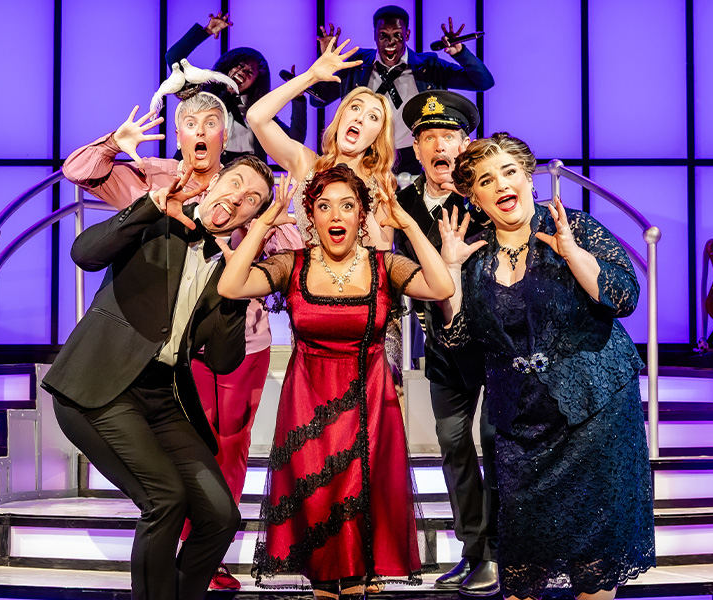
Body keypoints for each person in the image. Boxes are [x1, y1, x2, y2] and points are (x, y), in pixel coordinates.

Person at [63, 94, 304, 591]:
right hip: (102, 388)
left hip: (162, 396)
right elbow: (84, 253)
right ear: (214, 182)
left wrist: (239, 278)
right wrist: (148, 207)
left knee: (220, 513)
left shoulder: (230, 271)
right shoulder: (157, 213)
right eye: (233, 186)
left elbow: (221, 358)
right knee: (167, 500)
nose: (235, 200)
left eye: (251, 202)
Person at [216, 165, 453, 597]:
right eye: (324, 207)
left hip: (371, 406)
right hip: (308, 405)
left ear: (362, 215)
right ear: (312, 216)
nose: (336, 215)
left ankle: (361, 580)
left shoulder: (385, 265)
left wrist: (408, 223)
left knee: (363, 522)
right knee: (319, 518)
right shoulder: (293, 263)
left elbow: (441, 286)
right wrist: (264, 223)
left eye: (347, 205)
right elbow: (231, 286)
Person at [437, 133, 656, 600]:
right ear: (474, 197)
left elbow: (625, 296)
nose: (501, 185)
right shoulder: (473, 255)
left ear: (529, 179)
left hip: (595, 411)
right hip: (523, 424)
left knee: (593, 561)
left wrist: (573, 254)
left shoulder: (573, 226)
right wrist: (450, 275)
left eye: (510, 172)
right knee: (523, 568)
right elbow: (458, 340)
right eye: (486, 180)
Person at [392, 90, 497, 595]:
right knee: (454, 445)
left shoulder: (483, 194)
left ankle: (501, 551)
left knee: (499, 444)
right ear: (415, 148)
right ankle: (473, 551)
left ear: (465, 143)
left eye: (449, 136)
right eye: (429, 137)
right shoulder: (402, 204)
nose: (440, 146)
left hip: (496, 342)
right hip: (442, 342)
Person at [247, 39, 397, 251]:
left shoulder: (381, 186)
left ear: (377, 137)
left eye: (373, 117)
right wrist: (311, 76)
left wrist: (361, 203)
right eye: (355, 108)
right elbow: (256, 117)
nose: (360, 118)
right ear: (340, 117)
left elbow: (382, 249)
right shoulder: (307, 164)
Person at [309, 6, 495, 175]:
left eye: (397, 35)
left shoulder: (428, 66)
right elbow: (318, 100)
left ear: (407, 35)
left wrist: (460, 52)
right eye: (383, 35)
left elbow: (483, 82)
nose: (390, 42)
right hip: (366, 152)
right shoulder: (357, 64)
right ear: (374, 35)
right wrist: (327, 63)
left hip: (412, 158)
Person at [165, 12, 307, 162]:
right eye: (239, 65)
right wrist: (206, 32)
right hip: (199, 171)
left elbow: (294, 141)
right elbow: (173, 58)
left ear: (255, 81)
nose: (242, 72)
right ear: (229, 66)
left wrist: (298, 98)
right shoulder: (203, 92)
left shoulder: (258, 113)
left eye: (250, 72)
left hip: (247, 175)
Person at [62, 91, 230, 209]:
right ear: (178, 138)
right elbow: (75, 172)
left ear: (224, 138)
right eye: (191, 124)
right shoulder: (150, 175)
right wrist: (111, 145)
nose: (200, 131)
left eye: (210, 123)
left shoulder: (239, 183)